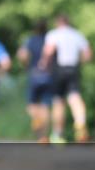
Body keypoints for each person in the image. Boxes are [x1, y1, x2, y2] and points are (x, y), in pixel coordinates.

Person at [39, 13, 92, 143]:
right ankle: (80, 127)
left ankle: (58, 134)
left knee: (58, 102)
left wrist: (43, 64)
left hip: (59, 69)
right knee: (75, 97)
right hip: (73, 69)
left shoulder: (53, 34)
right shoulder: (77, 35)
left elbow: (49, 51)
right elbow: (88, 55)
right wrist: (80, 62)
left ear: (58, 23)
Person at [17, 20, 54, 143]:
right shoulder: (51, 40)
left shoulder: (30, 40)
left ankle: (37, 121)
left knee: (31, 105)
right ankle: (44, 136)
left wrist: (26, 65)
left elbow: (22, 55)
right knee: (46, 106)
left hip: (35, 75)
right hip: (49, 76)